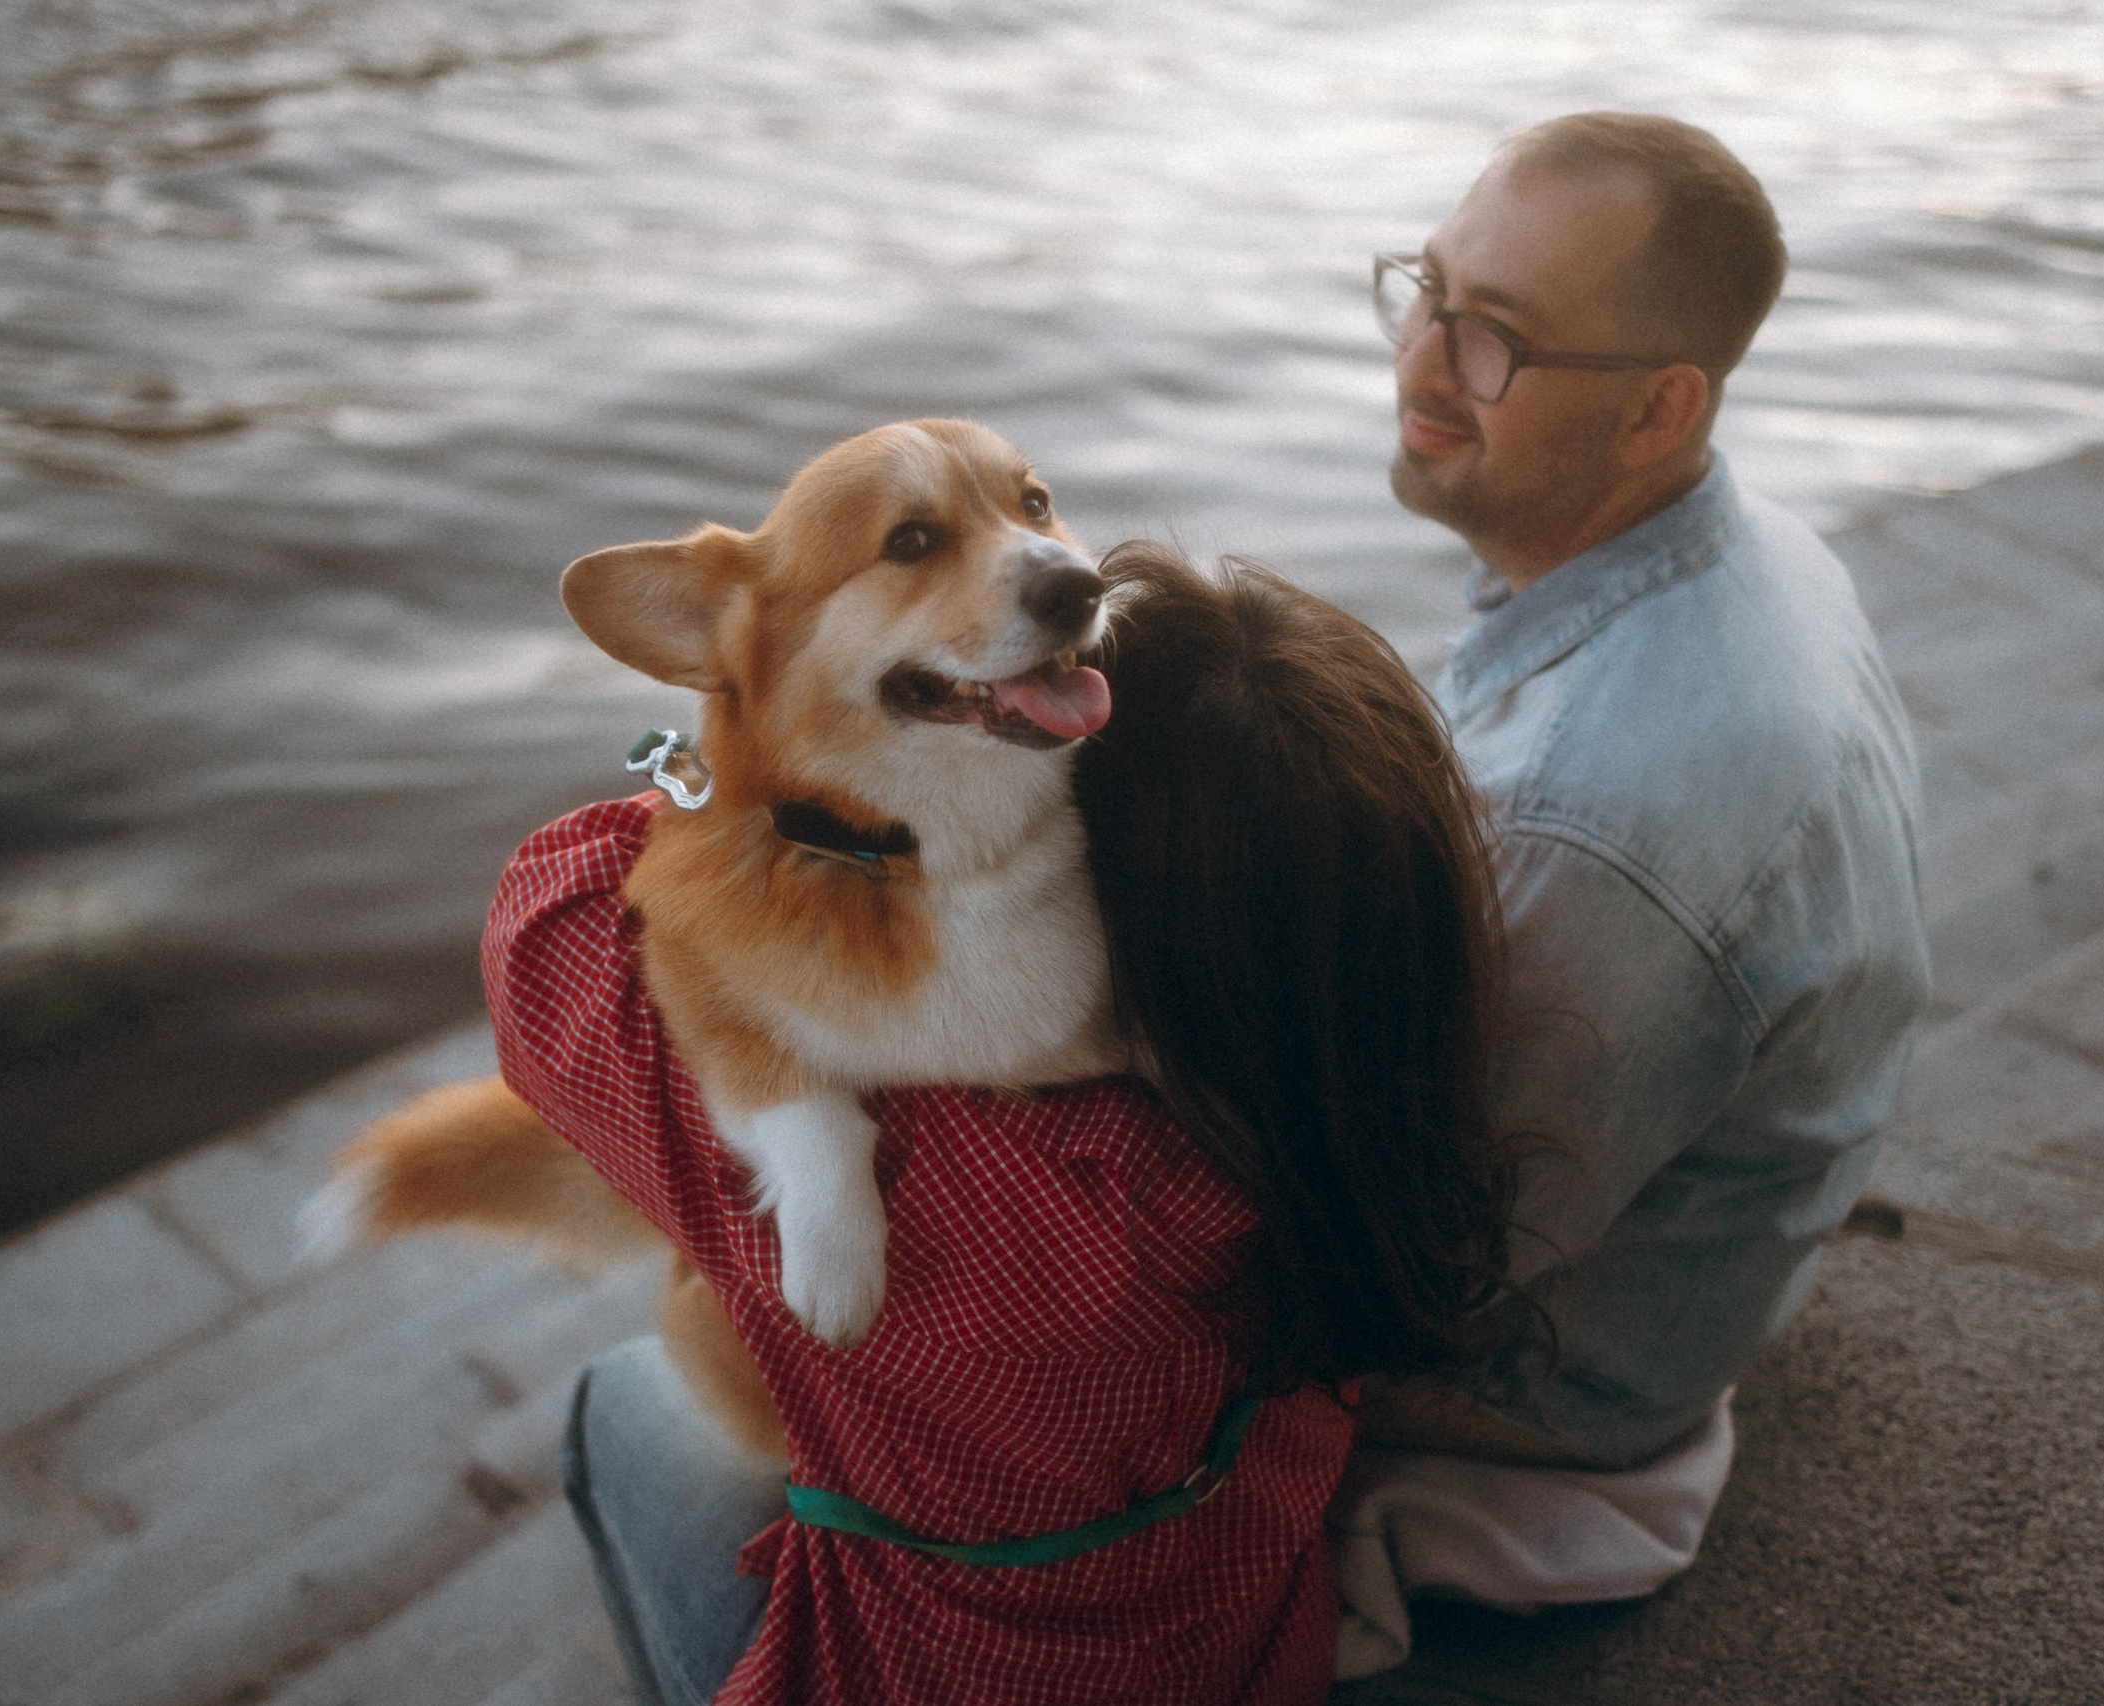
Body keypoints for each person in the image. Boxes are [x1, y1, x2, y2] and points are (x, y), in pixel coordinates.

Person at [487, 543, 1519, 1705]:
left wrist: (766, 733)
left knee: (620, 1408)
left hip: (930, 1673)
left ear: (1089, 868)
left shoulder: (963, 1189)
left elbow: (543, 915)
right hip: (1247, 1644)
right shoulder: (1371, 1081)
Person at [1325, 112, 1930, 1678]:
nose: (1420, 361)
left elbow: (1416, 1271)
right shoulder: (1744, 546)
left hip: (1567, 1374)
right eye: (1427, 288)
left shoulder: (1596, 823)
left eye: (1497, 339)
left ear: (1666, 406)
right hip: (1697, 1218)